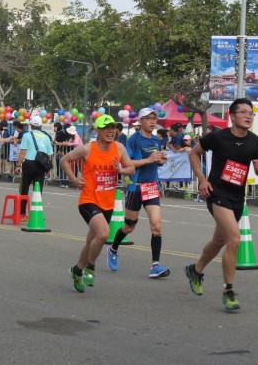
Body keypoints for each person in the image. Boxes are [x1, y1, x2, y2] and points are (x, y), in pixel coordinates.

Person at [186, 98, 258, 311]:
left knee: (219, 240)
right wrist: (202, 179)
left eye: (251, 113)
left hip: (237, 197)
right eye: (243, 112)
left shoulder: (255, 141)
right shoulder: (218, 137)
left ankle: (196, 269)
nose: (248, 116)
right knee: (234, 238)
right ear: (232, 115)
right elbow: (194, 153)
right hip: (217, 192)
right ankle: (228, 291)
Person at [61, 114, 135, 293]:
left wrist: (121, 170)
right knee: (103, 234)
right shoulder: (87, 149)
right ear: (97, 131)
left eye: (112, 128)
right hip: (88, 199)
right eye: (106, 128)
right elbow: (65, 160)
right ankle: (90, 268)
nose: (110, 131)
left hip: (107, 202)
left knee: (91, 241)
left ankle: (77, 270)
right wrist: (73, 179)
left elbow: (131, 168)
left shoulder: (119, 147)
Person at [107, 107, 171, 278]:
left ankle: (155, 266)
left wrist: (160, 162)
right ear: (141, 121)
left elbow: (154, 162)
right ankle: (113, 249)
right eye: (148, 118)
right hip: (135, 187)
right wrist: (149, 159)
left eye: (154, 118)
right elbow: (127, 164)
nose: (152, 121)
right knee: (129, 226)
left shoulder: (157, 141)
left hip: (151, 187)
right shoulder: (133, 140)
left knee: (156, 226)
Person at [15, 116, 54, 216]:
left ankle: (22, 212)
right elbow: (50, 154)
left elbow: (23, 151)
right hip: (41, 165)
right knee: (38, 189)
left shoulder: (27, 135)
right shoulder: (46, 137)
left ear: (31, 126)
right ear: (41, 126)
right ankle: (36, 213)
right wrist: (48, 168)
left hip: (29, 163)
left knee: (24, 188)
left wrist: (18, 165)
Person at [53, 122, 70, 188]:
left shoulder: (61, 134)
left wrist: (61, 150)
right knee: (59, 167)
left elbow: (63, 143)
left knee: (62, 168)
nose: (54, 128)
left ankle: (64, 182)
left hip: (61, 153)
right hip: (58, 152)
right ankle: (61, 181)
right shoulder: (57, 133)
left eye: (55, 127)